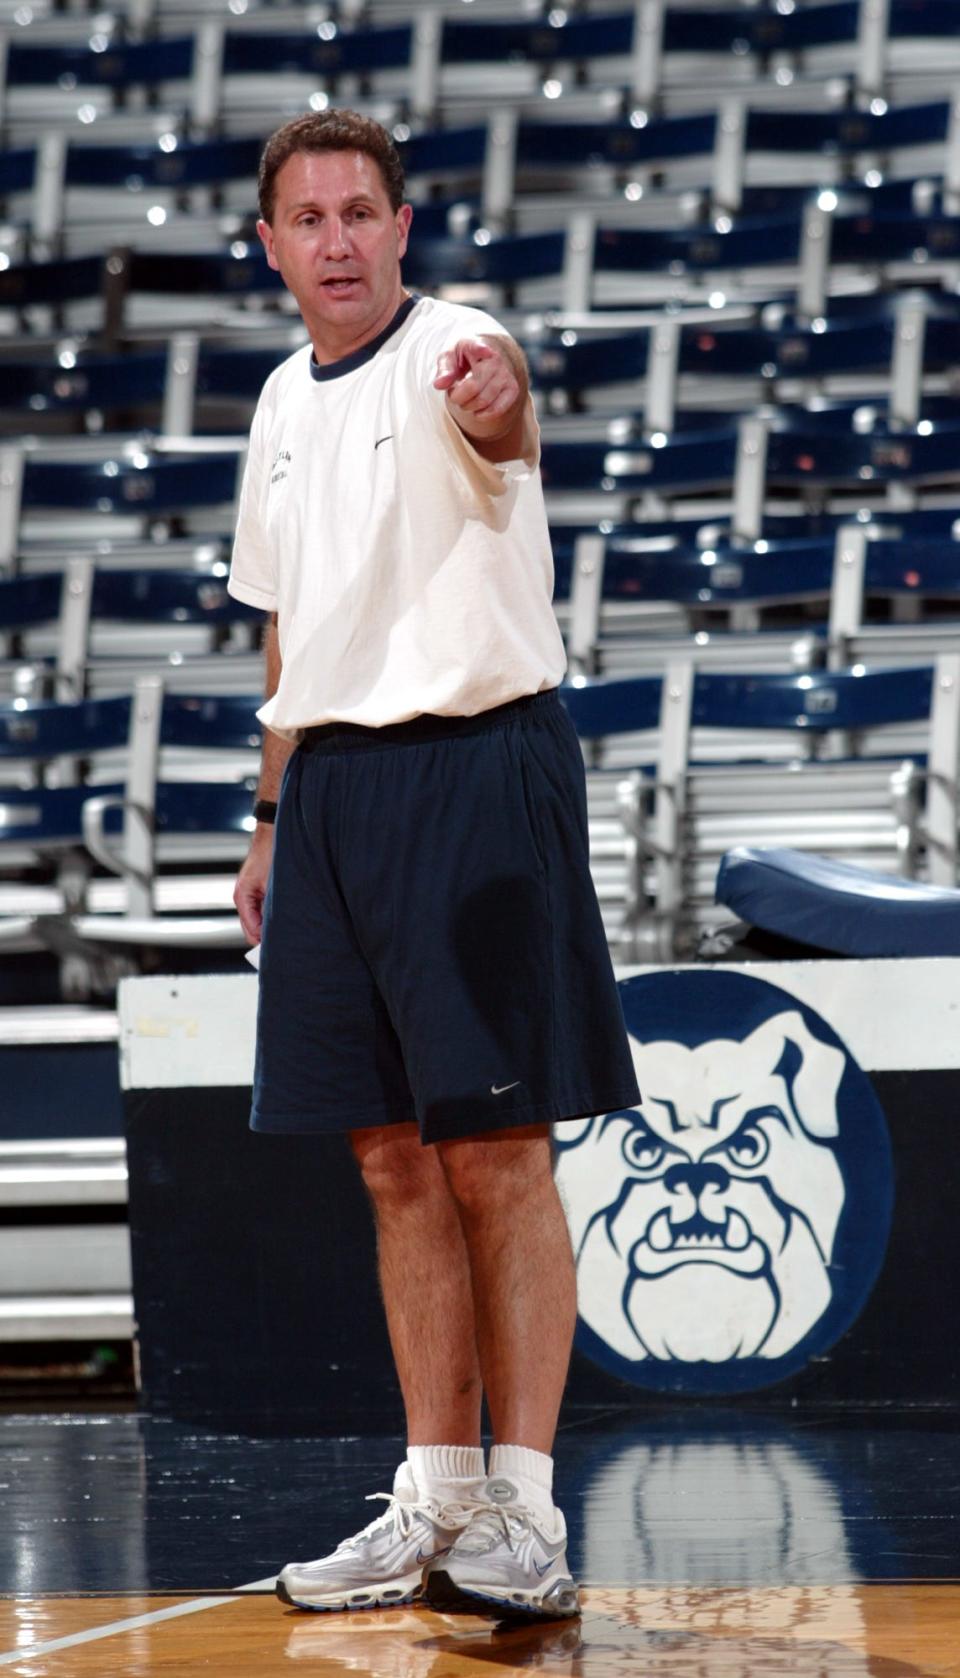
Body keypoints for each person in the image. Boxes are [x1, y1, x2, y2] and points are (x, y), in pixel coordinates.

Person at [228, 108, 641, 1622]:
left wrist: (500, 390)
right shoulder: (277, 401)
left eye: (360, 212)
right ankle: (437, 1496)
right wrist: (270, 818)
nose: (337, 238)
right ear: (270, 245)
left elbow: (508, 411)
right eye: (308, 217)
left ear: (404, 228)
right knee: (389, 1155)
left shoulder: (456, 345)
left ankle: (524, 1513)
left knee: (494, 1148)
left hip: (476, 765)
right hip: (330, 789)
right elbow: (280, 624)